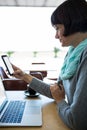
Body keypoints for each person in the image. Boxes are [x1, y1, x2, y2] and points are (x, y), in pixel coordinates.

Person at [12, 0, 87, 130]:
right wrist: (25, 76)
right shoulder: (72, 53)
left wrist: (60, 101)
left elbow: (77, 122)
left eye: (58, 28)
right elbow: (56, 91)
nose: (55, 36)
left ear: (73, 22)